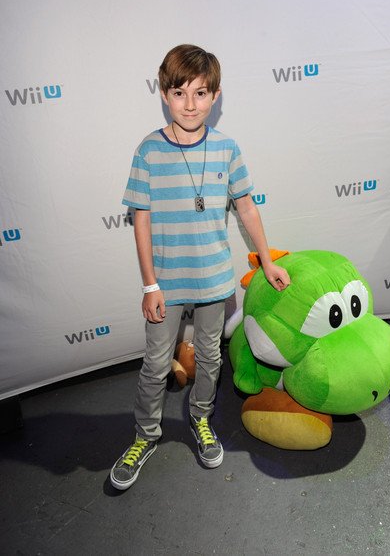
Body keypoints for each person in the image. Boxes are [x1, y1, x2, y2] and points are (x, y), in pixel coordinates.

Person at [110, 44, 290, 490]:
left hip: (213, 279)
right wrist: (150, 285)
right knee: (156, 363)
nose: (190, 104)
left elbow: (246, 208)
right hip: (166, 284)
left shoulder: (227, 148)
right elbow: (141, 221)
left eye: (201, 93)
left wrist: (267, 260)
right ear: (164, 95)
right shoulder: (148, 151)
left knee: (210, 357)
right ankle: (145, 435)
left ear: (215, 95)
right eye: (179, 93)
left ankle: (201, 418)